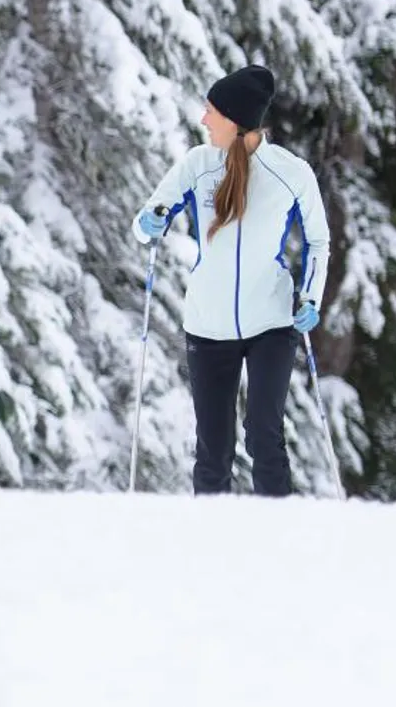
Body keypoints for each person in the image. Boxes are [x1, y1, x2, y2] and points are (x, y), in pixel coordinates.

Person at [135, 64, 331, 496]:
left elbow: (319, 241)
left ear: (235, 120)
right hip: (207, 326)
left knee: (264, 434)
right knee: (213, 448)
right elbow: (146, 221)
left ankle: (277, 541)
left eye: (211, 111)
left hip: (272, 323)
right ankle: (211, 550)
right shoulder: (198, 165)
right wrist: (150, 223)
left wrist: (311, 299)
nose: (204, 120)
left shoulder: (290, 172)